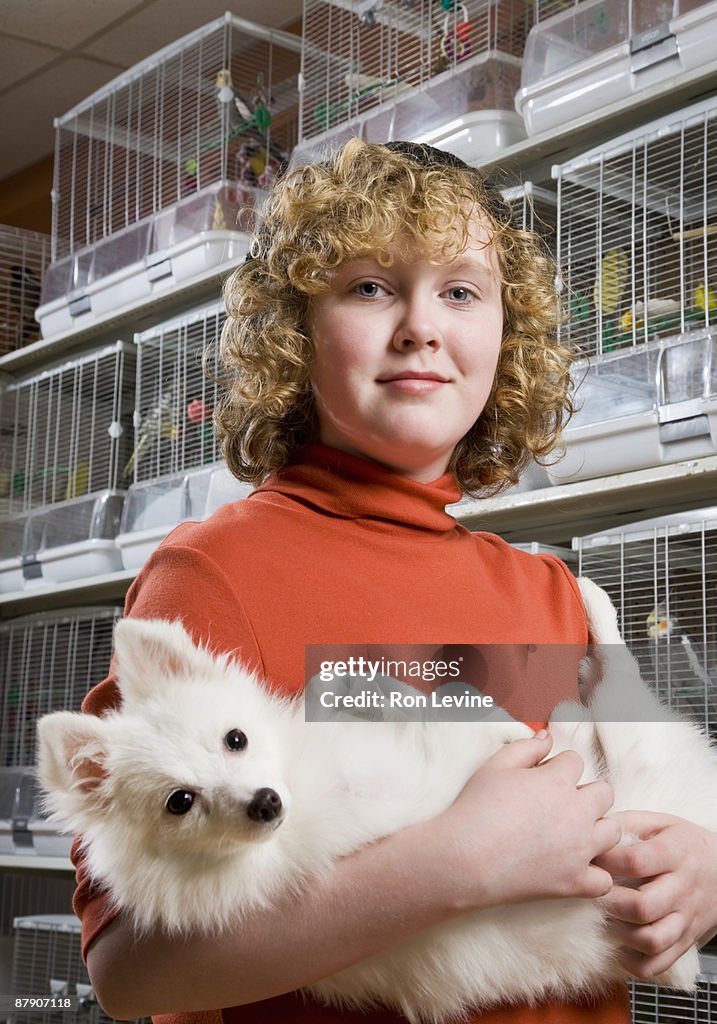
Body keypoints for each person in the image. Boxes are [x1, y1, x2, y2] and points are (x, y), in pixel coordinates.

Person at [74, 139, 717, 1024]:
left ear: (505, 335)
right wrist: (455, 865)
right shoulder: (216, 575)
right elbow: (132, 969)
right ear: (295, 333)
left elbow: (671, 804)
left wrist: (702, 877)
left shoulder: (555, 596)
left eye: (459, 291)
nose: (420, 325)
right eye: (369, 286)